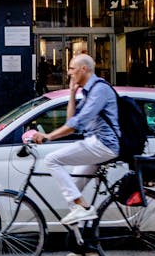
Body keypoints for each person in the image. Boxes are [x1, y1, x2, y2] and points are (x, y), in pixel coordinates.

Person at [30, 53, 120, 225]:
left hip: (103, 144)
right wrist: (72, 92)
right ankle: (83, 244)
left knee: (51, 159)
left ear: (83, 69)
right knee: (74, 189)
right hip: (95, 143)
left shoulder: (99, 89)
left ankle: (82, 207)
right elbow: (71, 120)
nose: (69, 73)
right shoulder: (89, 90)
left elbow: (75, 125)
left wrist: (48, 136)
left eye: (72, 68)